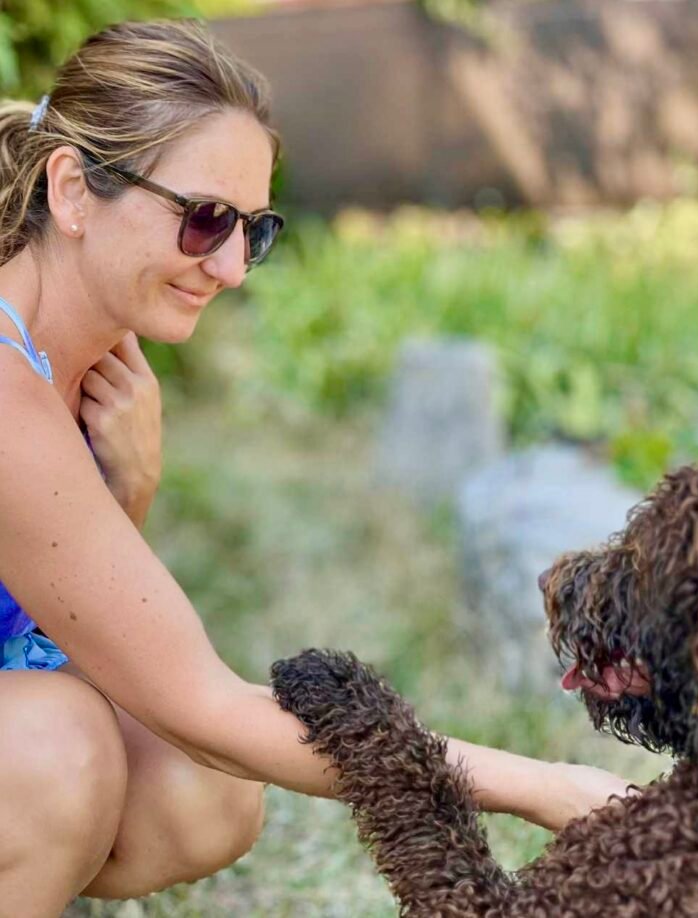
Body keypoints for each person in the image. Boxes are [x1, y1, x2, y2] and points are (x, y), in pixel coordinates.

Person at [0, 19, 629, 915]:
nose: (229, 267)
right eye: (202, 219)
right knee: (61, 754)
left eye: (251, 230)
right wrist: (545, 786)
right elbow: (199, 703)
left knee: (201, 793)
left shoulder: (88, 370)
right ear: (72, 191)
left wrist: (125, 496)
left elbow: (80, 632)